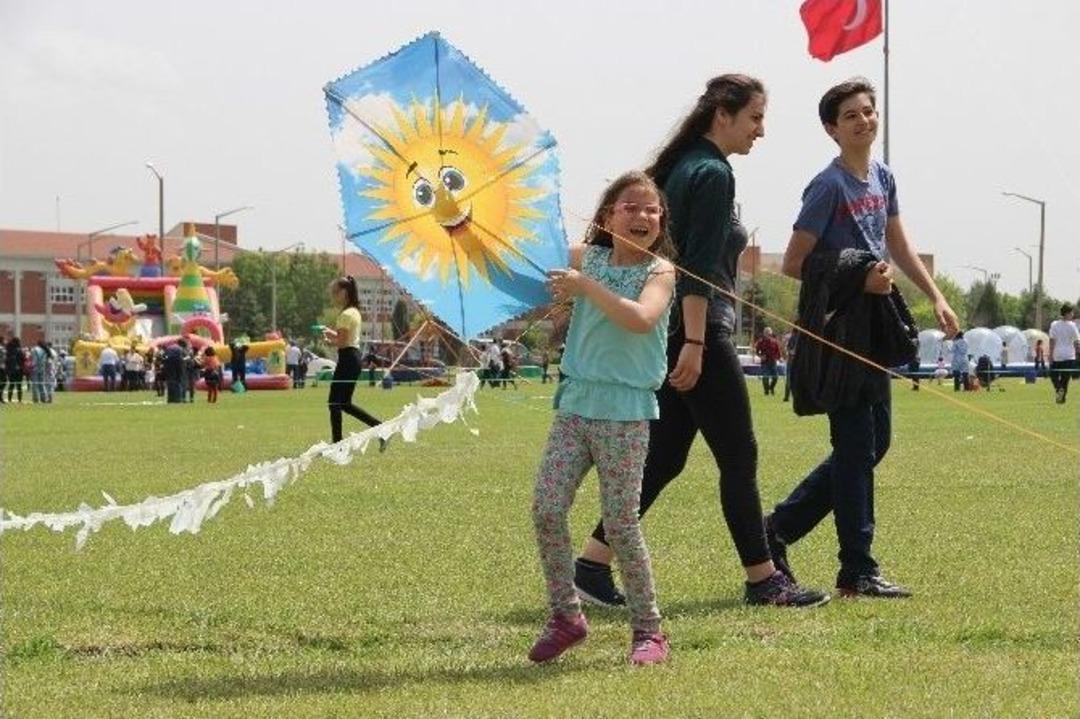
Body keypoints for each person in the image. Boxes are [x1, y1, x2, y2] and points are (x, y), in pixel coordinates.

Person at [573, 74, 827, 609]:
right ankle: (764, 579)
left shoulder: (684, 164)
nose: (761, 131)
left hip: (674, 332)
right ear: (724, 116)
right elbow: (697, 269)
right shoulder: (711, 172)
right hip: (696, 331)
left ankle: (591, 566)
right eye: (755, 117)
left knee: (664, 457)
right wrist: (694, 342)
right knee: (739, 455)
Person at [767, 78, 960, 599]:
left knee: (874, 444)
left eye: (868, 111)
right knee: (855, 448)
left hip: (876, 328)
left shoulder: (882, 177)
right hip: (839, 332)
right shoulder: (827, 186)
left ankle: (778, 528)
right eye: (850, 115)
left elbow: (896, 241)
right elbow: (793, 263)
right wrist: (857, 276)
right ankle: (857, 569)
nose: (863, 120)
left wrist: (935, 295)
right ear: (832, 129)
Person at [529, 171, 676, 666]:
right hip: (575, 407)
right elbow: (527, 253)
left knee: (620, 522)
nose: (641, 216)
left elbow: (641, 319)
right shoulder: (586, 260)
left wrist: (586, 288)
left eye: (651, 209)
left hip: (625, 411)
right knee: (547, 507)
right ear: (607, 216)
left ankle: (648, 630)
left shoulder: (660, 273)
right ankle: (567, 616)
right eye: (629, 207)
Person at [322, 276, 386, 450]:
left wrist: (330, 341)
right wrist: (332, 334)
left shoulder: (345, 315)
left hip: (348, 358)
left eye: (335, 293)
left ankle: (337, 445)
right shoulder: (354, 312)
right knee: (344, 404)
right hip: (353, 358)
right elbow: (347, 339)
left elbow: (342, 343)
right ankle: (380, 428)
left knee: (335, 403)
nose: (333, 296)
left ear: (344, 293)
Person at [1048, 303, 1080, 404]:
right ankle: (1061, 395)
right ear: (1067, 313)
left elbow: (1052, 340)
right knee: (1065, 379)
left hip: (1057, 355)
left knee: (1053, 375)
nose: (1073, 314)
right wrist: (1078, 352)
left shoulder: (1054, 324)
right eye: (1071, 313)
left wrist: (1050, 354)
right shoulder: (1073, 326)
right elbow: (1076, 341)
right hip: (1069, 356)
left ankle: (1059, 391)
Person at [754, 327, 781, 396]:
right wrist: (761, 356)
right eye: (766, 333)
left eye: (769, 333)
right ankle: (766, 391)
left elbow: (778, 352)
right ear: (764, 333)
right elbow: (756, 351)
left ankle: (771, 388)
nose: (768, 334)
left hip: (773, 362)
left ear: (771, 333)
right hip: (765, 362)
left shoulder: (775, 342)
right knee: (765, 378)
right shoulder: (760, 342)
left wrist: (779, 358)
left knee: (775, 377)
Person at [782, 329, 797, 402]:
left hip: (796, 360)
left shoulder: (801, 337)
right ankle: (787, 396)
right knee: (789, 379)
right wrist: (792, 352)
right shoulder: (793, 337)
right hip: (792, 360)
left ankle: (792, 396)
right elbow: (788, 348)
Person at [0, 336, 7, 403]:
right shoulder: (2, 348)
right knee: (4, 380)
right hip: (1, 367)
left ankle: (1, 396)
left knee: (3, 381)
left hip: (2, 366)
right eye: (4, 340)